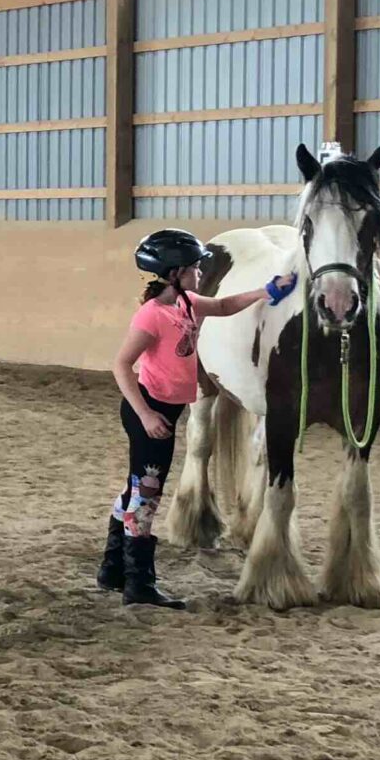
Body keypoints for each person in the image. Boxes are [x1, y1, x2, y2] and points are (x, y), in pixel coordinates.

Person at [104, 231, 295, 611]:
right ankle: (138, 582)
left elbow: (224, 306)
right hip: (150, 410)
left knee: (138, 487)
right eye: (193, 268)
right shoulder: (152, 315)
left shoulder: (188, 303)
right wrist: (145, 414)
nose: (199, 271)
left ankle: (112, 569)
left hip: (167, 410)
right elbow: (121, 365)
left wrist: (265, 292)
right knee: (147, 493)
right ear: (173, 273)